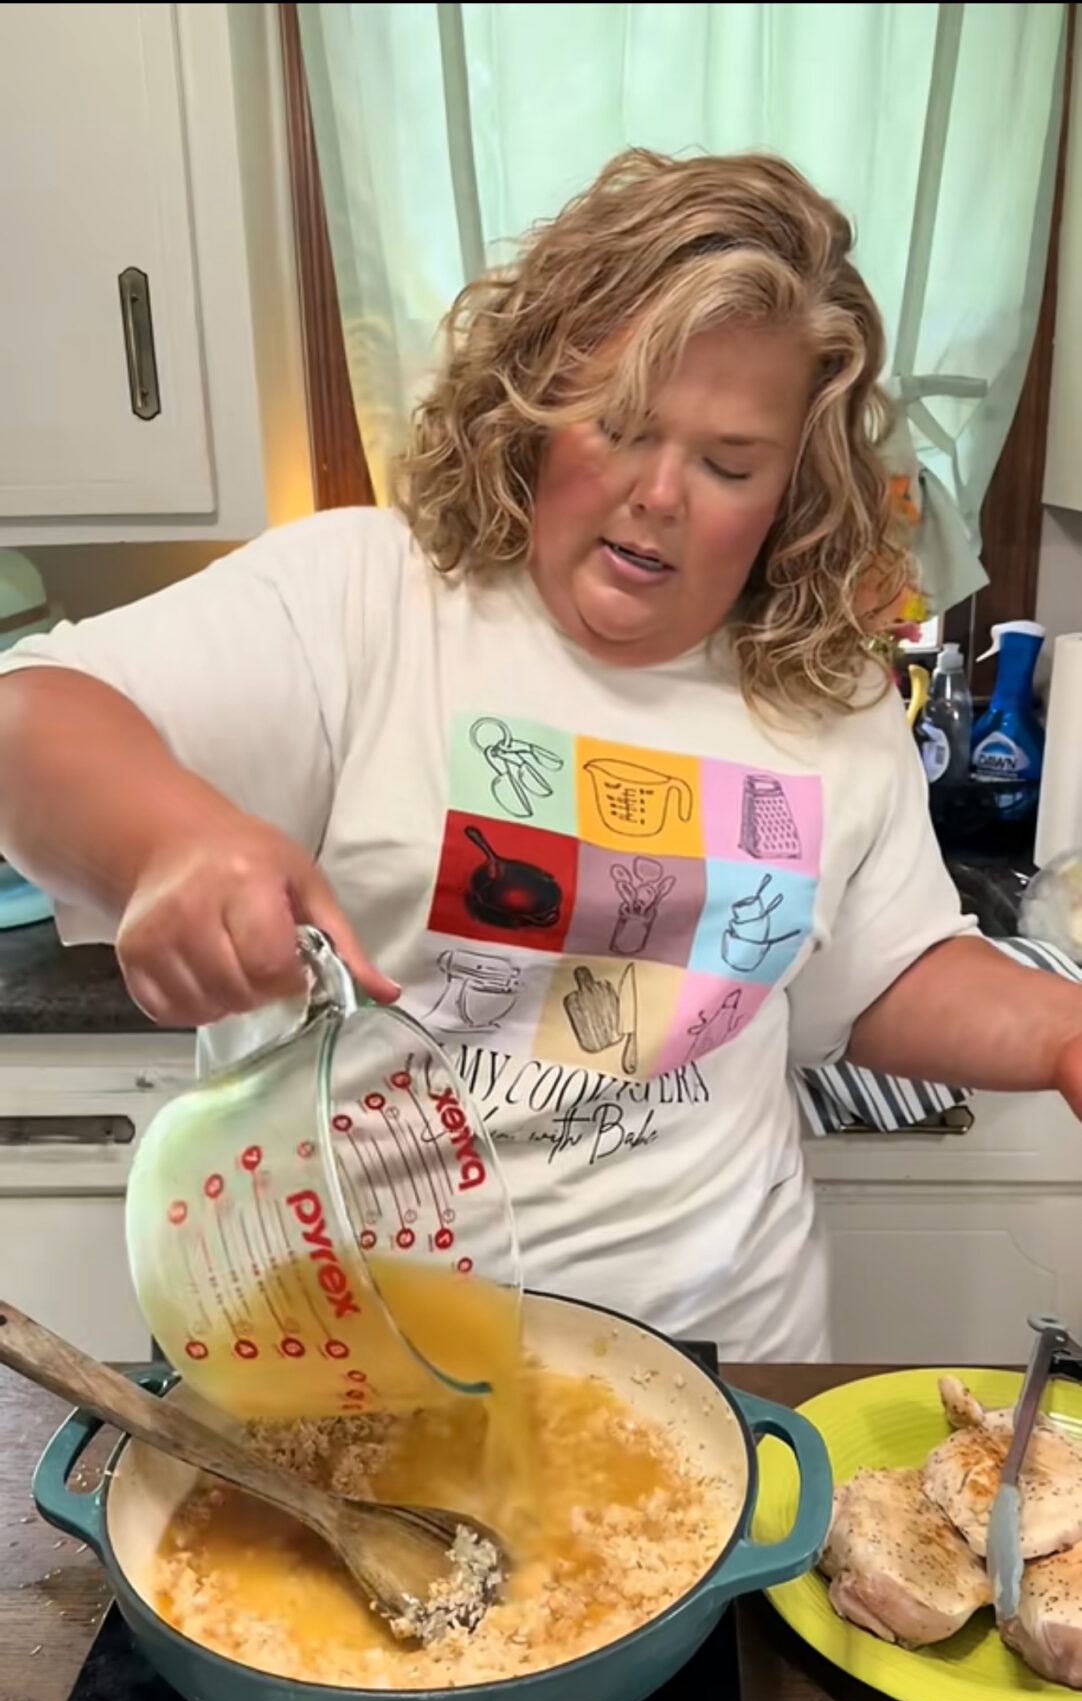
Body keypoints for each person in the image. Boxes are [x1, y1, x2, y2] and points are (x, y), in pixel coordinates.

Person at [1, 150, 1080, 1361]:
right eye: (618, 427)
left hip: (716, 1374)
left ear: (795, 484)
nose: (658, 493)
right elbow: (34, 713)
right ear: (533, 400)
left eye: (729, 464)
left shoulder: (824, 690)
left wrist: (1058, 1035)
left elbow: (880, 977)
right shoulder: (370, 595)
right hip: (347, 1372)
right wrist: (171, 844)